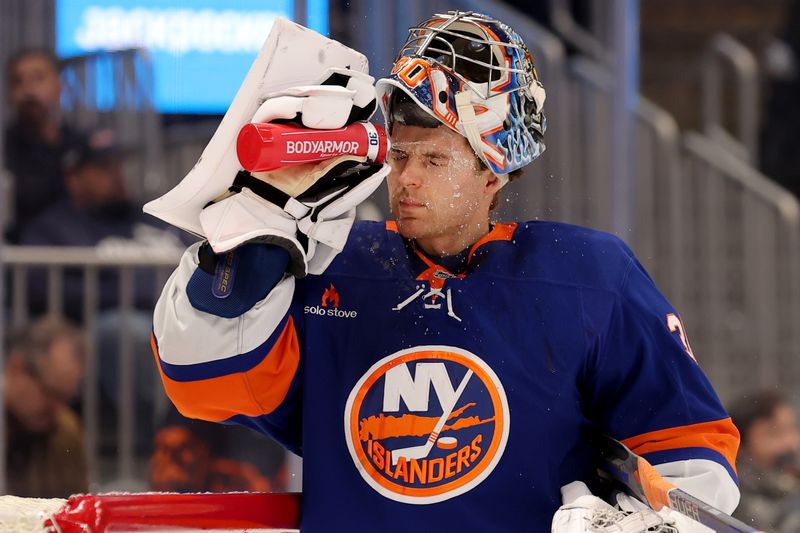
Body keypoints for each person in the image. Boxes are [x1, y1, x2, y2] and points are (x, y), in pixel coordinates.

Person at [150, 11, 740, 531]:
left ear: (495, 172)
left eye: (435, 159)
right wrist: (255, 234)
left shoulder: (588, 274)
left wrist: (656, 523)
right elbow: (202, 382)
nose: (405, 179)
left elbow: (685, 441)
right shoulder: (329, 265)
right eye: (400, 154)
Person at [3, 48, 86, 242]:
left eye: (38, 78)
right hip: (21, 261)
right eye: (18, 82)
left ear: (60, 85)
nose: (28, 90)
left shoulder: (80, 146)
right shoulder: (5, 149)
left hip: (82, 251)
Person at [3, 316, 88, 498]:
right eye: (51, 393)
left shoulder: (65, 432)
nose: (58, 408)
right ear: (16, 368)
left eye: (66, 397)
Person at [729, 390, 800, 532]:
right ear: (742, 444)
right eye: (775, 433)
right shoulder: (735, 496)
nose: (791, 443)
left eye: (791, 428)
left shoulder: (787, 483)